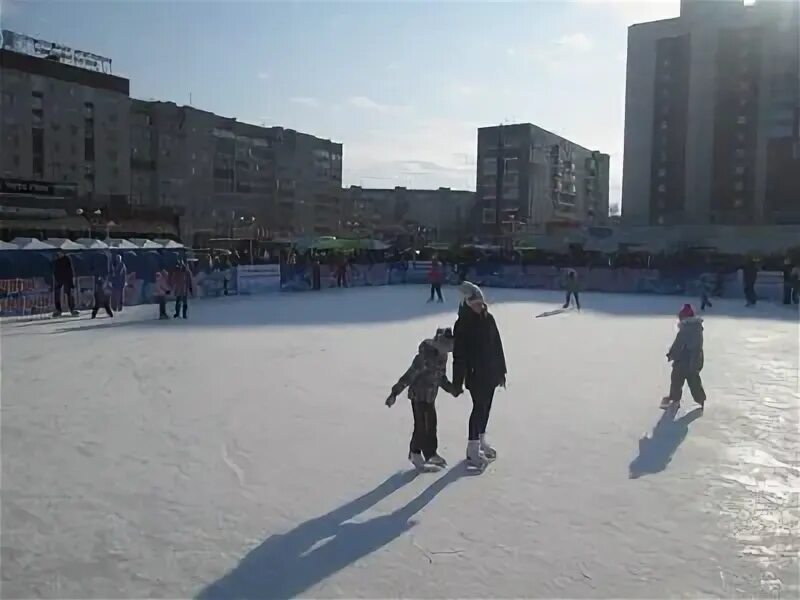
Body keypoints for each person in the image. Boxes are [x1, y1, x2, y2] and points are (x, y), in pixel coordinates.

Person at [386, 327, 460, 470]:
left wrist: (451, 389)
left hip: (430, 396)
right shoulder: (425, 356)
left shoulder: (442, 356)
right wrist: (395, 393)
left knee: (431, 424)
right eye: (448, 347)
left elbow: (440, 377)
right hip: (418, 395)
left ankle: (431, 453)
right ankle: (415, 453)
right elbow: (410, 375)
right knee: (421, 426)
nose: (449, 351)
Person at [453, 281, 507, 469]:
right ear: (467, 303)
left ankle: (481, 440)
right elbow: (459, 356)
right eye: (476, 303)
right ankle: (472, 447)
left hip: (491, 372)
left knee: (486, 408)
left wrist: (501, 370)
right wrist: (457, 381)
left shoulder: (488, 319)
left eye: (481, 303)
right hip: (475, 375)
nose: (480, 306)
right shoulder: (462, 324)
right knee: (478, 408)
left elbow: (497, 345)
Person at [661, 303, 706, 409]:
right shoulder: (696, 327)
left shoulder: (686, 329)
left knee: (677, 378)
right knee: (694, 380)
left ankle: (675, 398)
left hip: (684, 360)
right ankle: (700, 399)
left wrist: (672, 354)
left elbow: (678, 343)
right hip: (695, 359)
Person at [52, 252, 79, 316]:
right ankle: (58, 310)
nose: (59, 255)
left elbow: (70, 270)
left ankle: (72, 309)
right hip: (59, 279)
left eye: (60, 253)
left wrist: (71, 280)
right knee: (57, 294)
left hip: (67, 278)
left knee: (69, 294)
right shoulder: (56, 260)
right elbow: (55, 270)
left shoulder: (67, 259)